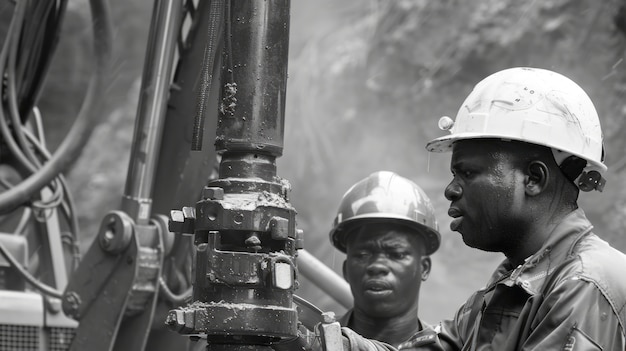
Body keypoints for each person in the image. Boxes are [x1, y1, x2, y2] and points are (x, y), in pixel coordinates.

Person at [333, 67, 626, 351]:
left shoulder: (584, 285)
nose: (451, 190)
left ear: (534, 179)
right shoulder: (506, 289)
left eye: (468, 173)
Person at [328, 170, 442, 349]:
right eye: (363, 254)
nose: (377, 266)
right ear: (345, 270)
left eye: (396, 254)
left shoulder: (452, 347)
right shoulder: (311, 344)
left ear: (424, 268)